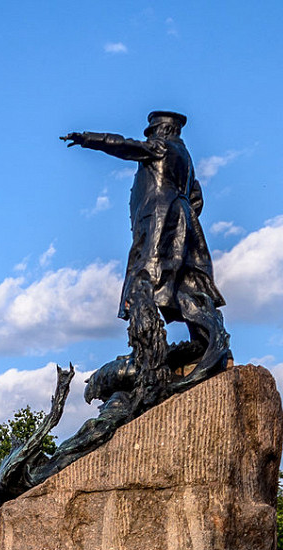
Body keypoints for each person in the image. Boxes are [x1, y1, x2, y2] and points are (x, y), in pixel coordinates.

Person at [61, 111, 229, 369]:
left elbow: (123, 145)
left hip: (158, 219)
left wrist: (87, 139)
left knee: (145, 280)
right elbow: (196, 197)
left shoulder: (161, 147)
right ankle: (206, 342)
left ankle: (147, 354)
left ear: (161, 130)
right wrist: (183, 216)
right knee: (187, 281)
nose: (149, 137)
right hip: (183, 218)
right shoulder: (186, 158)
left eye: (151, 132)